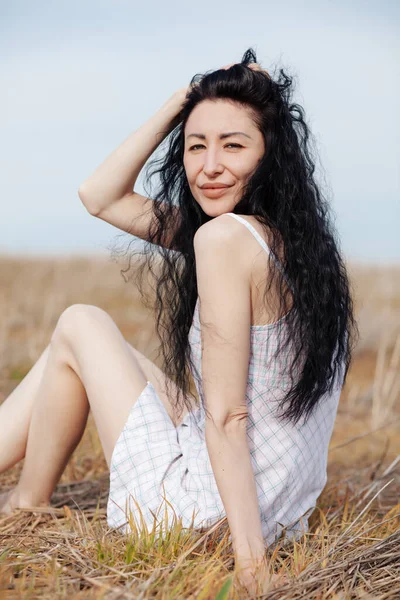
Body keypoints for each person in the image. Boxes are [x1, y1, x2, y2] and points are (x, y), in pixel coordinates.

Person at [0, 48, 357, 593]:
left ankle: (27, 501)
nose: (209, 165)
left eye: (233, 145)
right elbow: (99, 197)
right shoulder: (297, 248)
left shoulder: (222, 240)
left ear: (271, 155)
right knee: (83, 350)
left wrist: (251, 570)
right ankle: (27, 494)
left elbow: (228, 417)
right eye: (195, 145)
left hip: (206, 513)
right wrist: (183, 101)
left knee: (79, 322)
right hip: (279, 513)